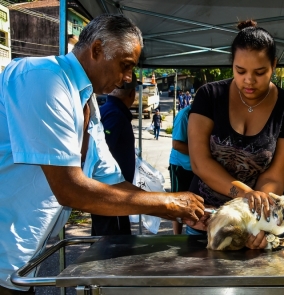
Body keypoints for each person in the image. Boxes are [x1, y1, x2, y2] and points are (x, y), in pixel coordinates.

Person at [0, 14, 205, 294]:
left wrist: (179, 208)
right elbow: (70, 189)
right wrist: (168, 204)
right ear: (96, 50)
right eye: (125, 66)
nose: (127, 78)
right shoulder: (43, 78)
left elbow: (111, 181)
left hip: (22, 262)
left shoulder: (87, 103)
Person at [187, 20, 284, 249]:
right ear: (232, 64)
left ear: (274, 64)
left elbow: (276, 177)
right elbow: (199, 162)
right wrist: (246, 194)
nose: (249, 80)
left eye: (260, 72)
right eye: (240, 71)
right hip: (206, 222)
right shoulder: (209, 96)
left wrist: (255, 222)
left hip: (264, 224)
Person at [91, 73, 141, 236]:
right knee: (113, 243)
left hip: (110, 192)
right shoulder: (115, 114)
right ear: (132, 94)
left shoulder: (107, 109)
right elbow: (103, 150)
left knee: (104, 240)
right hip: (112, 192)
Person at [169, 104, 195, 234]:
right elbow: (177, 144)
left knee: (195, 202)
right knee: (178, 203)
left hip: (197, 167)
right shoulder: (185, 114)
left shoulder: (209, 114)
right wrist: (200, 153)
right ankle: (176, 236)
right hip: (180, 166)